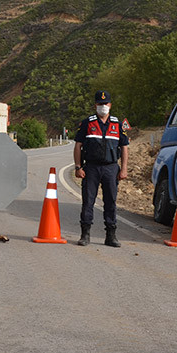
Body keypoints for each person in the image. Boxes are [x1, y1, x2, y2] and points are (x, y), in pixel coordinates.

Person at [73, 90, 129, 247]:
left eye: (105, 104)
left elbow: (124, 147)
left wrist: (124, 169)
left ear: (110, 105)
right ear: (95, 105)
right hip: (91, 167)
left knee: (111, 202)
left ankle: (111, 236)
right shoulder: (87, 123)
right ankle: (85, 235)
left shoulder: (117, 125)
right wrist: (78, 167)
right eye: (100, 104)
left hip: (111, 168)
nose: (103, 106)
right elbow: (78, 145)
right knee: (88, 201)